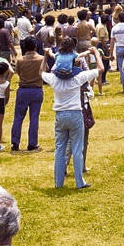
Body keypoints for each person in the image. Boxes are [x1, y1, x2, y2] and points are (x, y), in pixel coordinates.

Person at [41, 45, 103, 189]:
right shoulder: (78, 77)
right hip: (75, 114)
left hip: (60, 115)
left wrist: (46, 56)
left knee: (60, 149)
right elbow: (100, 69)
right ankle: (79, 182)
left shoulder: (54, 79)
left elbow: (41, 72)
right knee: (77, 149)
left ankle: (58, 182)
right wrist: (95, 52)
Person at [10, 36, 45, 152]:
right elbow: (45, 70)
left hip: (23, 89)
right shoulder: (41, 59)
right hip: (36, 89)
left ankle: (15, 142)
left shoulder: (20, 60)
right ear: (35, 46)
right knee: (34, 117)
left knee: (18, 117)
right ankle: (32, 143)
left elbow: (18, 72)